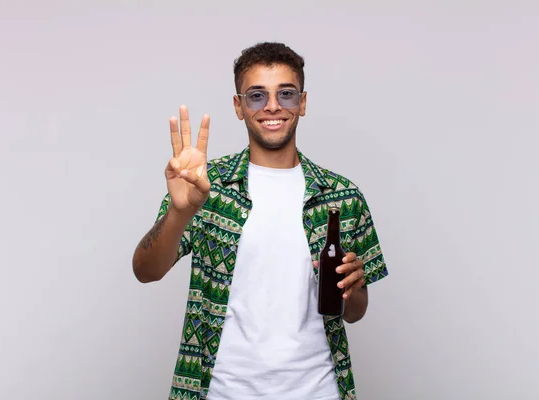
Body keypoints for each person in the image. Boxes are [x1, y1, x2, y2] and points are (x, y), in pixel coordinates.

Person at [132, 42, 388, 400]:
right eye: (256, 96)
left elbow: (355, 313)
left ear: (303, 102)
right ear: (238, 106)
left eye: (286, 94)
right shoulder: (207, 187)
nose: (272, 106)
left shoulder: (342, 197)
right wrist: (180, 212)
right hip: (223, 391)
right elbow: (146, 270)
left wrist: (354, 287)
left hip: (317, 390)